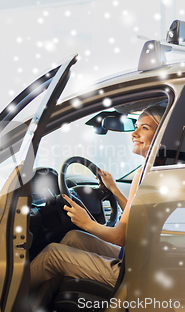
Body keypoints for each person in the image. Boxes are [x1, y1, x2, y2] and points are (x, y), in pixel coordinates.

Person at [29, 105, 166, 308]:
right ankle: (40, 304)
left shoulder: (146, 174)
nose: (134, 134)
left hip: (131, 273)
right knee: (72, 237)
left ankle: (11, 298)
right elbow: (137, 217)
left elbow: (120, 237)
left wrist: (86, 222)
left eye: (144, 128)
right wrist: (114, 190)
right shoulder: (156, 168)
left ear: (161, 133)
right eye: (136, 126)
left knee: (52, 254)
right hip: (139, 260)